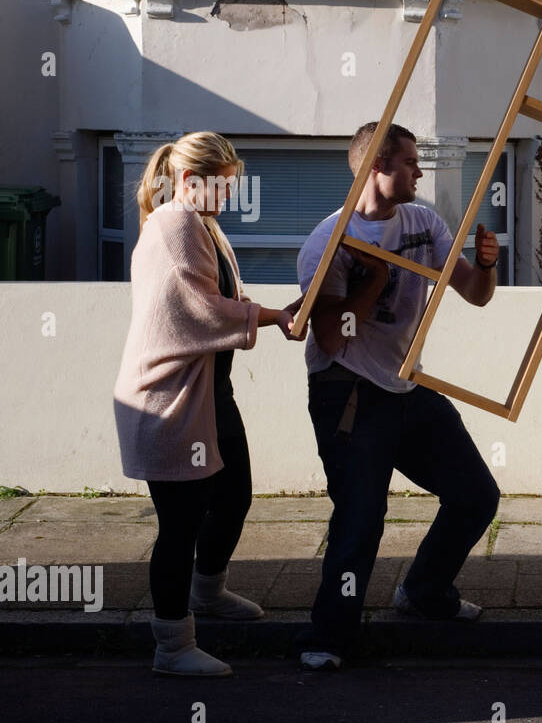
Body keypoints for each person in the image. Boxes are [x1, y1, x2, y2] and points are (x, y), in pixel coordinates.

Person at [294, 121, 501, 670]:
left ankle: (424, 592)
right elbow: (333, 338)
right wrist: (375, 280)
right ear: (376, 168)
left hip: (405, 382)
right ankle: (328, 637)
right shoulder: (327, 244)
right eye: (410, 163)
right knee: (361, 515)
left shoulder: (422, 222)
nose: (420, 172)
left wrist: (485, 264)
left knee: (476, 494)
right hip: (349, 392)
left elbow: (474, 295)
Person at [113, 132, 304, 677]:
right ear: (191, 180)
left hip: (209, 395)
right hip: (170, 399)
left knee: (234, 494)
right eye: (223, 183)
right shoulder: (175, 225)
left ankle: (207, 593)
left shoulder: (201, 224)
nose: (229, 194)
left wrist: (269, 313)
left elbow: (219, 301)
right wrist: (271, 317)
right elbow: (198, 311)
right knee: (180, 523)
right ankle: (171, 646)